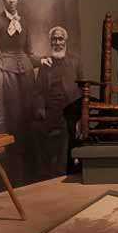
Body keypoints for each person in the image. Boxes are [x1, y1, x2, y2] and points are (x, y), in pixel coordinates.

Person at [0, 0, 46, 182]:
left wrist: (41, 60)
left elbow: (29, 53)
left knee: (27, 121)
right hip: (7, 76)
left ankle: (31, 173)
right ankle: (13, 174)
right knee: (12, 122)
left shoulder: (24, 22)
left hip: (26, 75)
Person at [35, 26, 83, 177]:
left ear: (65, 41)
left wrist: (82, 111)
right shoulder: (45, 65)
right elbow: (38, 91)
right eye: (54, 39)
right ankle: (50, 176)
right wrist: (40, 109)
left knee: (68, 143)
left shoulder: (75, 62)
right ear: (51, 42)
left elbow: (83, 87)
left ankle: (66, 173)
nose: (57, 42)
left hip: (71, 108)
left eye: (60, 38)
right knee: (47, 146)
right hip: (50, 110)